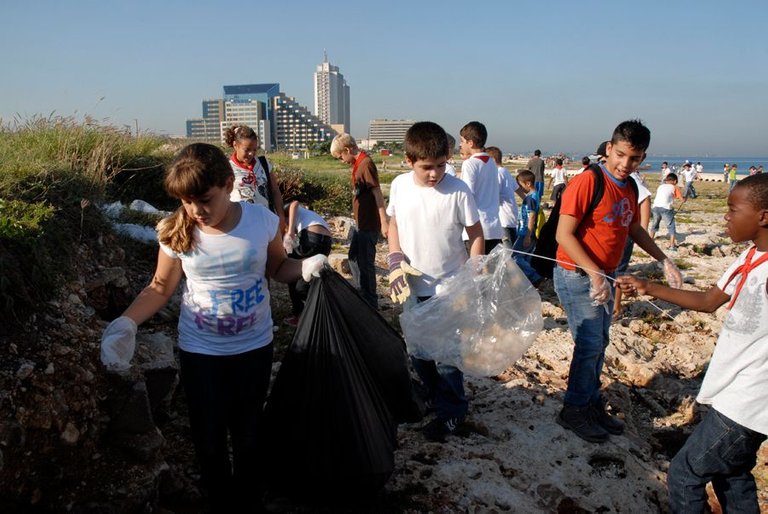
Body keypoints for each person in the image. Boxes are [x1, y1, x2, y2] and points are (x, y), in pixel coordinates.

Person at [99, 143, 326, 511]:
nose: (195, 211)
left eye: (204, 199)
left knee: (248, 431)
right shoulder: (177, 230)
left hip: (254, 347)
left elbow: (277, 268)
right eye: (187, 201)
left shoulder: (260, 221)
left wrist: (302, 268)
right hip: (201, 352)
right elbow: (159, 287)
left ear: (227, 184)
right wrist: (126, 322)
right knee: (208, 436)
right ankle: (219, 500)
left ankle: (249, 498)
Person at [616, 173, 768, 513]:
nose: (725, 216)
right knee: (732, 472)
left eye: (733, 209)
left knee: (685, 474)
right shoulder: (748, 259)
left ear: (763, 216)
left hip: (749, 400)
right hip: (732, 390)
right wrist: (647, 287)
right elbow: (707, 301)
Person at [553, 119, 683, 444]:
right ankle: (574, 410)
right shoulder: (587, 181)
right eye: (621, 155)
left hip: (604, 276)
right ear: (609, 149)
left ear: (643, 158)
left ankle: (590, 403)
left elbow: (634, 228)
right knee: (589, 345)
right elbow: (563, 235)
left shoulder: (630, 186)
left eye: (635, 158)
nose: (626, 164)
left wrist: (664, 260)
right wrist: (595, 273)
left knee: (601, 343)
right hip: (576, 275)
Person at [386, 121, 483, 443]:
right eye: (427, 167)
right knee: (418, 351)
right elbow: (394, 223)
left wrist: (475, 268)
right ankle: (432, 396)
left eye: (441, 165)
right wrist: (395, 257)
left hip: (449, 286)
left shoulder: (458, 190)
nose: (434, 174)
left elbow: (476, 234)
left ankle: (453, 411)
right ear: (409, 160)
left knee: (446, 356)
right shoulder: (400, 185)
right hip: (413, 285)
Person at [330, 133, 389, 308]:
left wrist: (383, 220)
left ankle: (370, 301)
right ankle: (363, 291)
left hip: (369, 224)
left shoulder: (365, 164)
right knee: (354, 257)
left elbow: (377, 192)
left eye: (341, 156)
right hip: (361, 223)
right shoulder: (358, 164)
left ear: (347, 150)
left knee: (365, 263)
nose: (342, 160)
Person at [224, 124, 286, 232]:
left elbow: (275, 191)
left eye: (254, 149)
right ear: (235, 145)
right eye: (247, 149)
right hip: (240, 224)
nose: (251, 153)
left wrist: (281, 217)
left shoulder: (263, 163)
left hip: (265, 222)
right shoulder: (227, 168)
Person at [281, 201, 333, 327]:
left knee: (292, 271)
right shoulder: (307, 214)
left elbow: (294, 204)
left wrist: (291, 231)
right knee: (314, 274)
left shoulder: (283, 209)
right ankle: (323, 310)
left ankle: (299, 314)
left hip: (310, 236)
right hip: (326, 240)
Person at [612, 165, 653, 320]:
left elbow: (645, 199)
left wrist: (642, 230)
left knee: (618, 270)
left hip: (626, 233)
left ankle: (616, 308)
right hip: (612, 233)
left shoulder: (630, 180)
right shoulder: (604, 177)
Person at [458, 121, 503, 252]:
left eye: (462, 141)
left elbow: (467, 195)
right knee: (490, 271)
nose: (460, 145)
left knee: (475, 270)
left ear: (470, 142)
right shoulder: (491, 162)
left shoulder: (470, 164)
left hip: (476, 228)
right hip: (494, 227)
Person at [512, 169, 544, 286]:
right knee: (526, 257)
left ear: (528, 184)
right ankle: (528, 279)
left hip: (525, 232)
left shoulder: (530, 198)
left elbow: (532, 217)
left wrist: (527, 236)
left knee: (515, 257)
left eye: (521, 185)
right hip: (528, 232)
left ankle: (535, 276)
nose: (520, 188)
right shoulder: (535, 195)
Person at [486, 146, 522, 249]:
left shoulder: (497, 173)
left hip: (503, 219)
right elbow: (517, 188)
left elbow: (493, 194)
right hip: (510, 217)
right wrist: (526, 199)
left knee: (507, 252)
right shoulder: (505, 171)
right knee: (512, 249)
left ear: (492, 160)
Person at [650, 172, 684, 250]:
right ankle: (672, 245)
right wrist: (684, 199)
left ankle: (651, 239)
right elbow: (681, 199)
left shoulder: (660, 186)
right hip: (665, 208)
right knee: (671, 226)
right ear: (675, 181)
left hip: (655, 207)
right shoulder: (674, 187)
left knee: (655, 224)